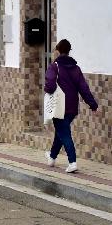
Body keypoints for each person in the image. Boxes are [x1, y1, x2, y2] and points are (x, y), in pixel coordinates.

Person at [44, 39, 98, 173]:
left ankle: (72, 162)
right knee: (61, 131)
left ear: (58, 50)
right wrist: (92, 104)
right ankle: (52, 157)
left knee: (65, 133)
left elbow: (50, 85)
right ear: (69, 51)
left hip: (58, 106)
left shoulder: (54, 66)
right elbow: (83, 88)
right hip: (72, 107)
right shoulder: (76, 68)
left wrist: (48, 89)